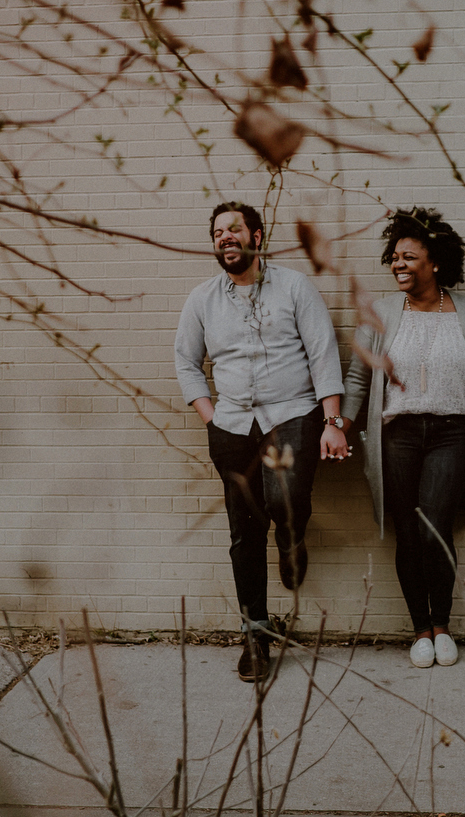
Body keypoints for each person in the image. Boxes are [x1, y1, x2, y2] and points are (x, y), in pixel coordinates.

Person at [175, 201, 350, 682]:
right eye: (217, 233)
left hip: (292, 414)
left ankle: (292, 538)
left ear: (256, 235)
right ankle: (256, 635)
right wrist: (211, 418)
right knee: (243, 533)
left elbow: (323, 354)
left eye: (234, 229)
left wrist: (332, 420)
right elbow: (186, 362)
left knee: (285, 497)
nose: (225, 238)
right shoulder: (202, 300)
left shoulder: (294, 287)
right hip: (231, 426)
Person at [343, 207, 465, 668]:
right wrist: (339, 428)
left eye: (408, 257)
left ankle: (443, 624)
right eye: (394, 257)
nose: (398, 265)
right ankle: (420, 630)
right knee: (408, 533)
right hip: (398, 432)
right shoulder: (382, 313)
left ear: (435, 262)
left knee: (435, 528)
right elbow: (357, 380)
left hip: (453, 432)